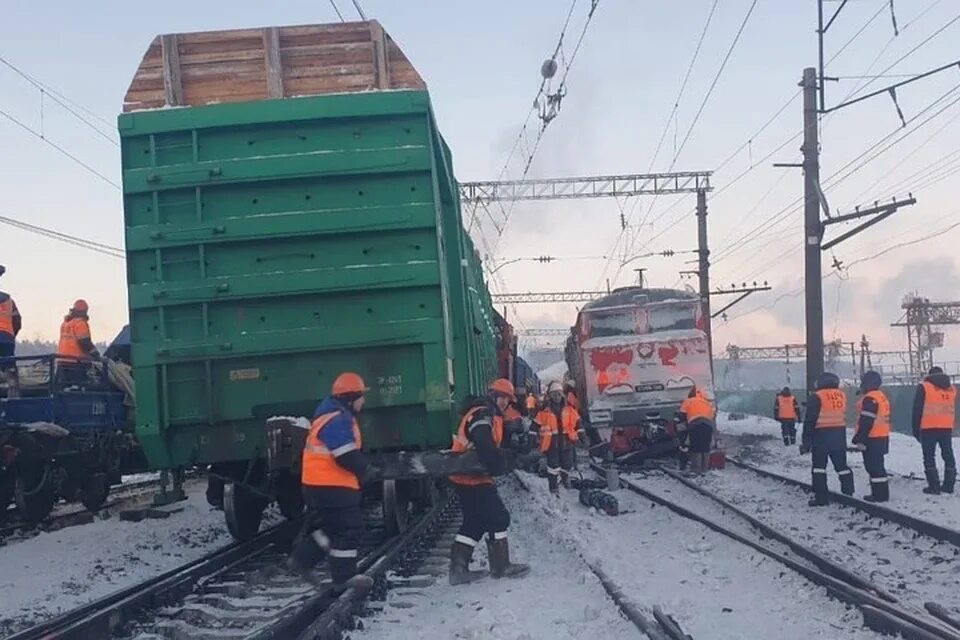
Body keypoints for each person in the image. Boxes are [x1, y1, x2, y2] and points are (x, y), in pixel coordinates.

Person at [288, 372, 376, 591]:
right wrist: (366, 469)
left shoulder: (332, 415)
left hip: (321, 484)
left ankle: (301, 560)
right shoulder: (337, 419)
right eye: (361, 397)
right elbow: (344, 453)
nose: (363, 401)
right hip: (331, 485)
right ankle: (344, 577)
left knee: (334, 527)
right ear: (350, 398)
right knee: (350, 528)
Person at [448, 378, 530, 585]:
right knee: (499, 517)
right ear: (495, 396)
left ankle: (458, 571)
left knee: (474, 522)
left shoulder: (486, 414)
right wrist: (497, 466)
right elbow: (484, 443)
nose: (506, 404)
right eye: (504, 399)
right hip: (471, 476)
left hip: (467, 475)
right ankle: (501, 566)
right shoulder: (482, 414)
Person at [801, 372, 854, 506]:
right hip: (839, 435)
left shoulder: (817, 396)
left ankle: (821, 498)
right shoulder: (841, 395)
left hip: (821, 436)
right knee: (842, 466)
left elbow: (810, 420)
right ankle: (849, 494)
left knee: (819, 468)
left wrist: (806, 440)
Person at [911, 366, 956, 495]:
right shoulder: (952, 389)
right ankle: (949, 485)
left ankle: (934, 486)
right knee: (948, 455)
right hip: (946, 427)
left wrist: (915, 429)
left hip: (928, 427)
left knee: (929, 457)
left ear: (930, 375)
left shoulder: (925, 387)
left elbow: (917, 409)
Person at [535, 381, 586, 494]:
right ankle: (553, 487)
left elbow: (578, 424)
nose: (556, 397)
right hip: (551, 445)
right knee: (553, 467)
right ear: (550, 396)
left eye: (558, 394)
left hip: (566, 443)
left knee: (567, 465)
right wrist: (531, 439)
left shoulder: (570, 410)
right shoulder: (544, 412)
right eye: (554, 394)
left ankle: (565, 480)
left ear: (562, 395)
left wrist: (583, 437)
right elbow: (535, 425)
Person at [852, 370, 891, 503]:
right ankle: (882, 494)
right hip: (881, 436)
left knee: (873, 468)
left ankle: (879, 496)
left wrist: (860, 439)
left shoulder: (870, 399)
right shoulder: (880, 396)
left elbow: (866, 420)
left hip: (872, 437)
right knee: (878, 467)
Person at [57, 299, 100, 388]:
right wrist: (95, 354)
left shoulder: (65, 324)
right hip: (76, 363)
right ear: (84, 311)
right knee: (78, 388)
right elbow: (84, 341)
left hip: (62, 361)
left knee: (62, 388)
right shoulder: (80, 323)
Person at [676, 386, 715, 473]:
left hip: (695, 424)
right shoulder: (706, 402)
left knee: (695, 446)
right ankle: (705, 469)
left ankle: (696, 469)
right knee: (705, 446)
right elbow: (712, 416)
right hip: (708, 425)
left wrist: (682, 438)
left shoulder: (687, 401)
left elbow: (681, 416)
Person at [0, 265, 22, 398]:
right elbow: (17, 321)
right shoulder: (9, 300)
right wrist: (11, 335)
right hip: (7, 339)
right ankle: (14, 399)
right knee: (10, 371)